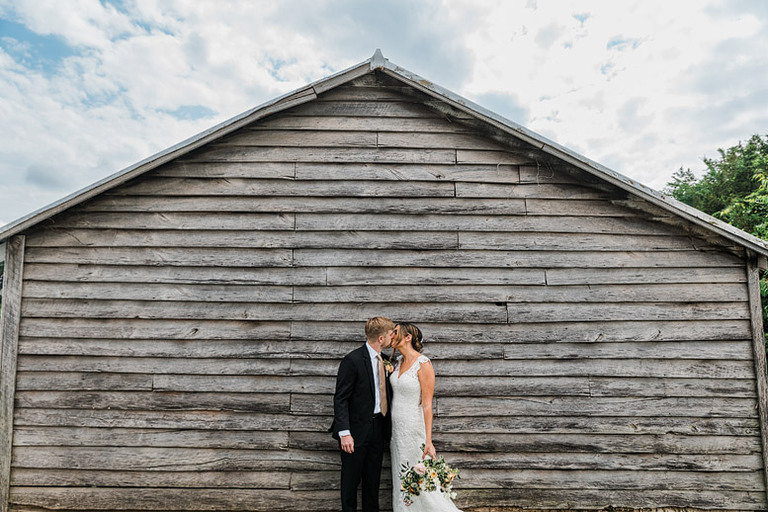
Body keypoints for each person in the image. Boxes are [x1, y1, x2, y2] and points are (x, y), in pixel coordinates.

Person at [389, 322, 463, 512]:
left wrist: (428, 440)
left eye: (395, 332)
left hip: (414, 427)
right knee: (401, 472)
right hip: (397, 430)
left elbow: (427, 404)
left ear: (408, 337)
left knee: (419, 474)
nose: (391, 335)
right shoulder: (397, 362)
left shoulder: (423, 364)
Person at [330, 316, 396, 512]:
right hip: (355, 432)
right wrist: (344, 432)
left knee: (372, 482)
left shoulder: (386, 361)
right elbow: (341, 399)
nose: (393, 337)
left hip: (378, 429)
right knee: (350, 482)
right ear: (381, 339)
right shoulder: (353, 360)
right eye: (391, 334)